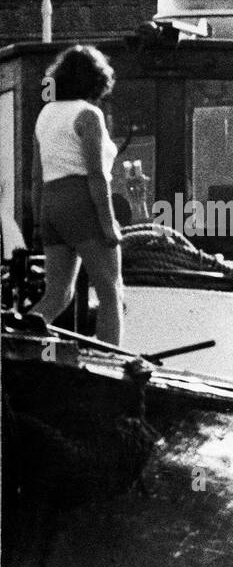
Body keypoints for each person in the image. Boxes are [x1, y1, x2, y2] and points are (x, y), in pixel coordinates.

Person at [26, 45, 124, 345]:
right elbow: (96, 175)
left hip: (51, 205)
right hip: (82, 202)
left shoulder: (45, 115)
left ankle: (20, 341)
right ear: (96, 80)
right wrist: (109, 225)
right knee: (111, 291)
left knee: (57, 294)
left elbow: (35, 175)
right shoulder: (88, 115)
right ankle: (112, 364)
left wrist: (40, 224)